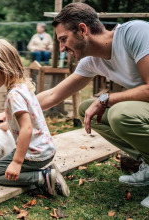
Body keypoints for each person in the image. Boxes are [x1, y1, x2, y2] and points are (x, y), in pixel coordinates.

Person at [34, 2, 149, 208]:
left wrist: (106, 98)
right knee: (86, 108)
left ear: (82, 30)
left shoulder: (135, 33)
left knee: (119, 114)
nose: (62, 48)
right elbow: (52, 95)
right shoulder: (92, 61)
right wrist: (9, 113)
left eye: (63, 39)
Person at [0, 39, 70, 197]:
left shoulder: (14, 95)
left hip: (35, 153)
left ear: (4, 68)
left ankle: (43, 177)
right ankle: (47, 172)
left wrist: (17, 162)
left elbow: (26, 128)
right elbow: (15, 119)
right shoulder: (22, 87)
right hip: (45, 149)